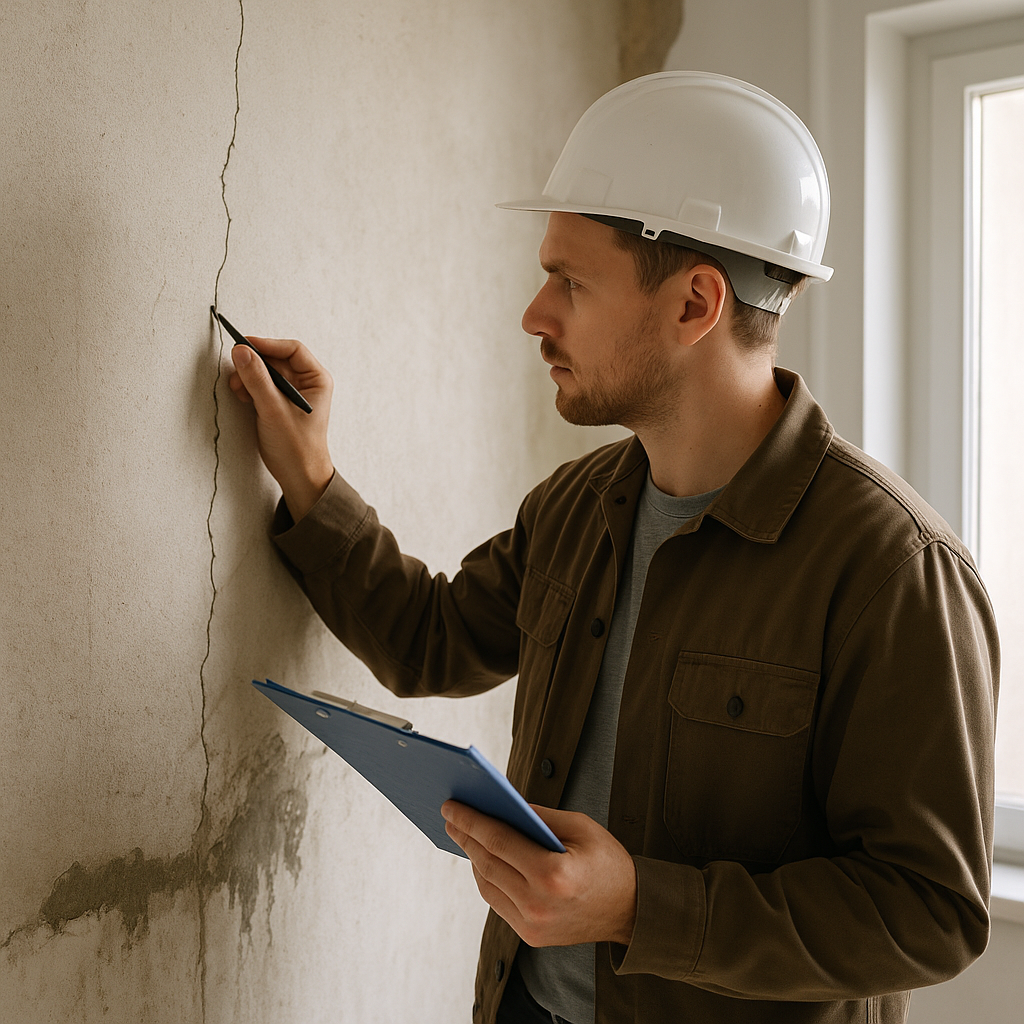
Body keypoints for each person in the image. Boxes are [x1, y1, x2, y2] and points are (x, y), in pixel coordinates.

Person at [228, 73, 999, 1024]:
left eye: (571, 281)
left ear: (695, 304)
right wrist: (309, 475)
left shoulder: (894, 570)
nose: (534, 314)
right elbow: (432, 638)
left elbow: (927, 914)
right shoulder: (581, 506)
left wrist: (642, 906)